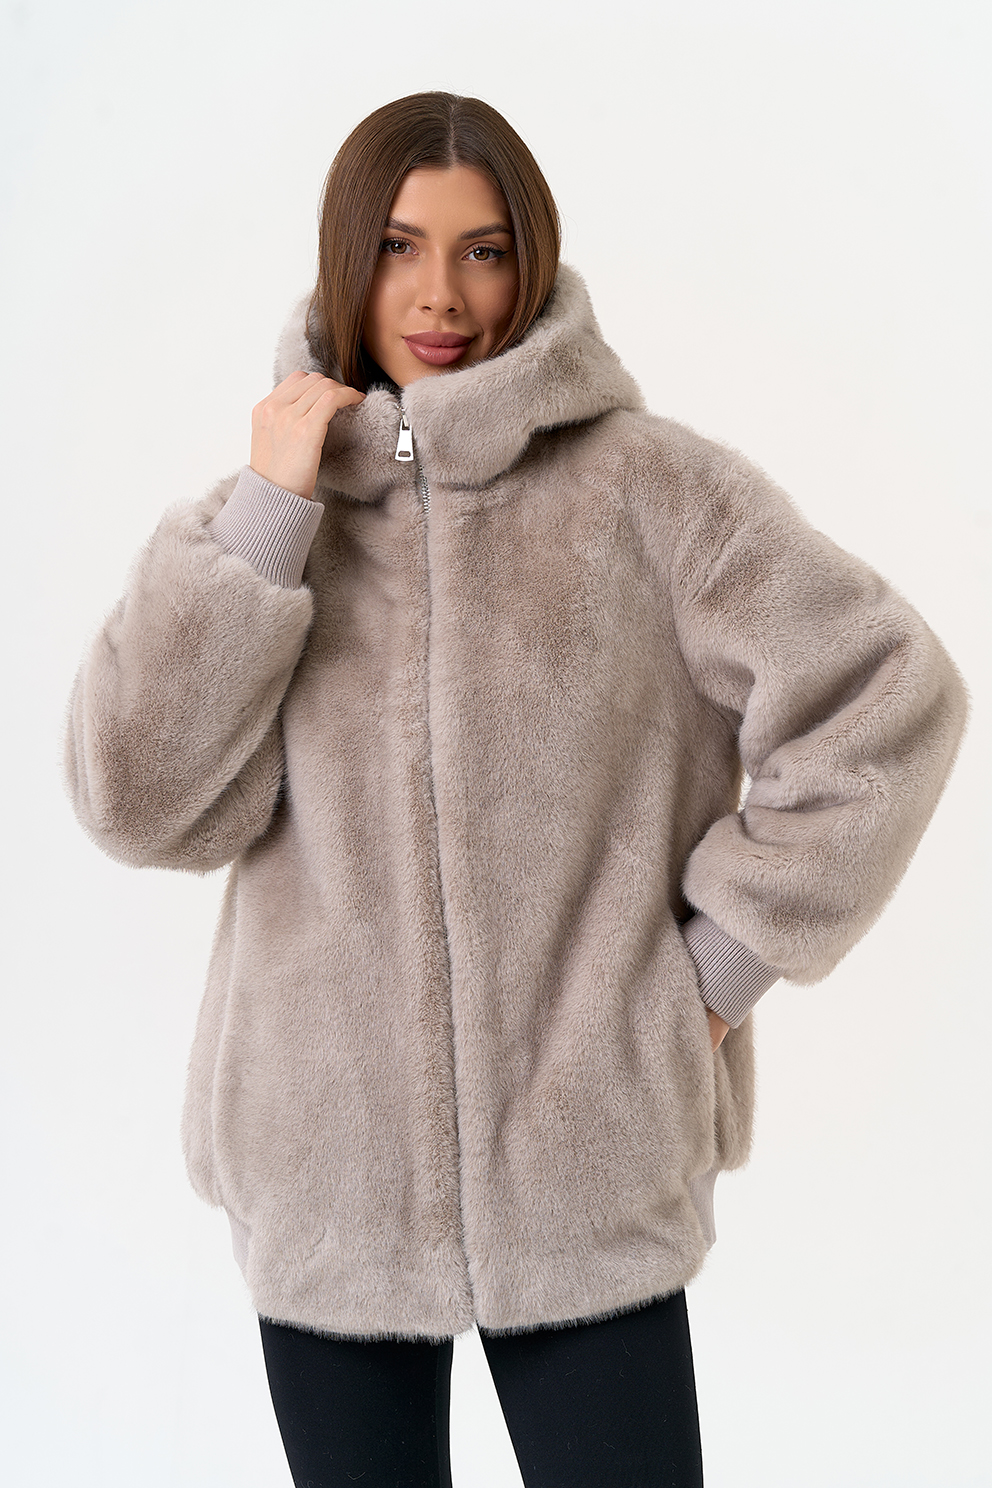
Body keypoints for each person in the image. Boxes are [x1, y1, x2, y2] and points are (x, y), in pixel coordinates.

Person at [63, 92, 967, 1488]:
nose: (440, 295)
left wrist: (714, 972)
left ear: (530, 262)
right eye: (398, 247)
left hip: (586, 1159)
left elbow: (888, 696)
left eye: (482, 251)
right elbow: (140, 800)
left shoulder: (654, 493)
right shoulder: (264, 523)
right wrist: (269, 521)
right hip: (323, 1175)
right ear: (343, 260)